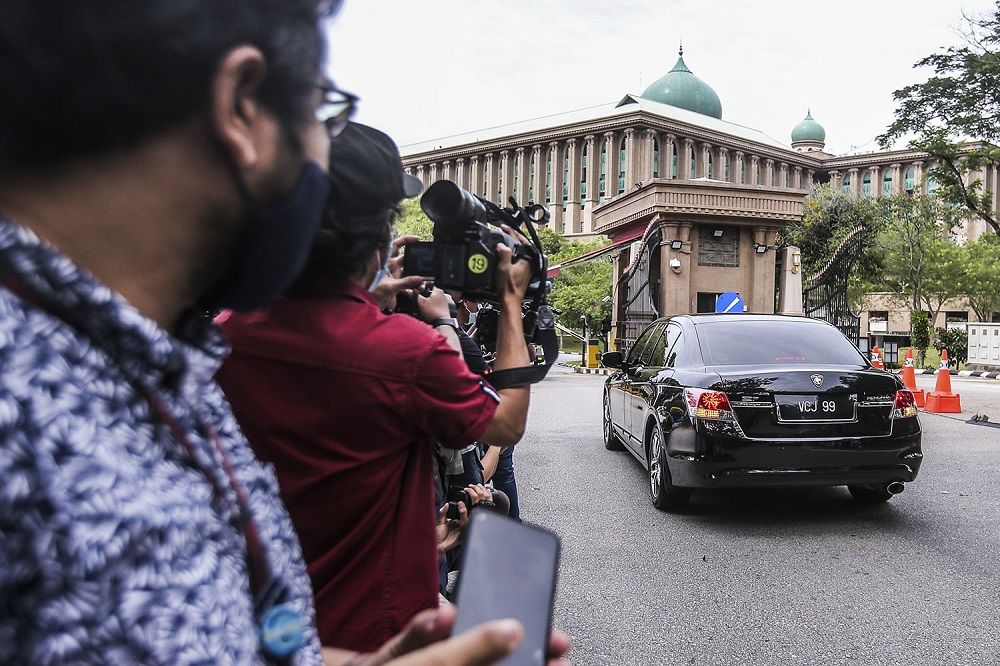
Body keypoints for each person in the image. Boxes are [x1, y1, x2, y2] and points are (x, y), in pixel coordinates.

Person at [0, 2, 569, 664]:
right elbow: (504, 424)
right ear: (242, 104)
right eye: (325, 112)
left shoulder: (167, 357)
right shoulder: (31, 405)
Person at [215, 121, 537, 653]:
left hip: (260, 632)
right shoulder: (409, 352)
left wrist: (367, 290)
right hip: (378, 636)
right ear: (378, 233)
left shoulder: (225, 335)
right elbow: (508, 421)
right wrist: (507, 303)